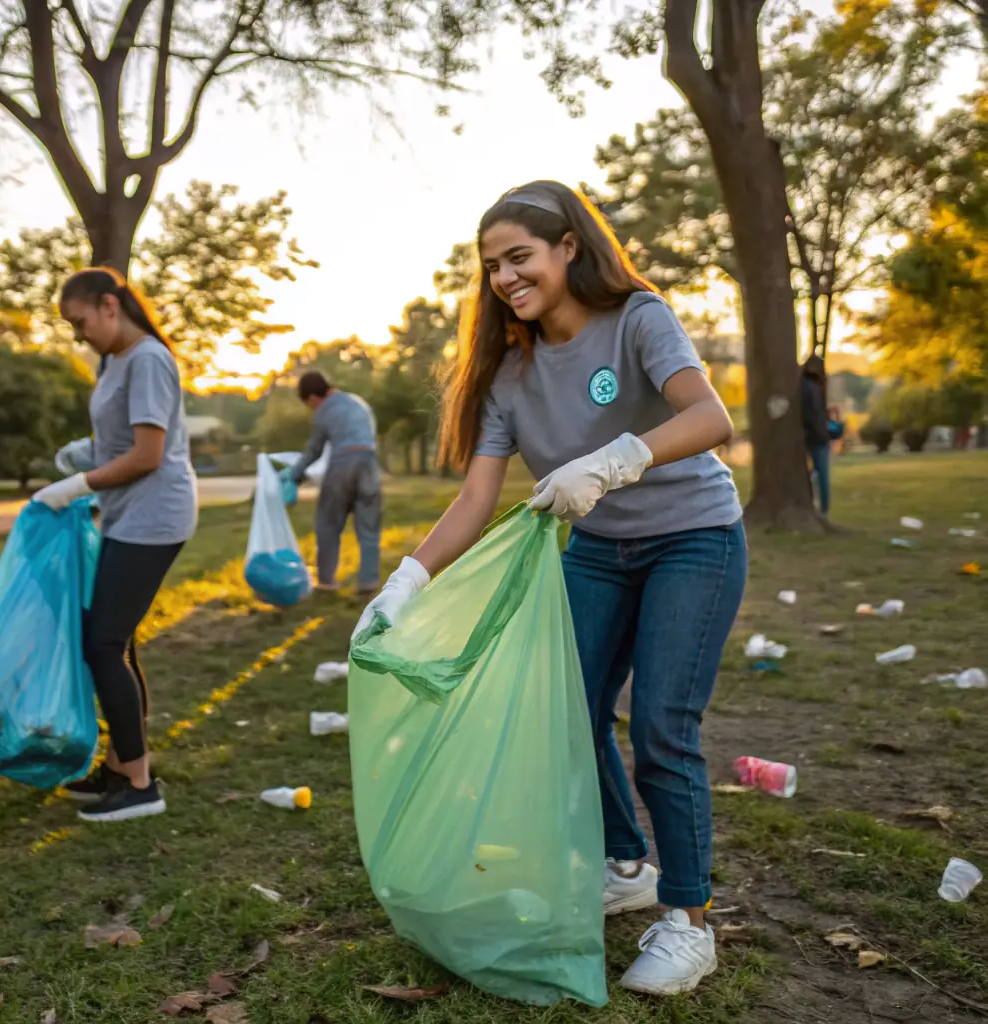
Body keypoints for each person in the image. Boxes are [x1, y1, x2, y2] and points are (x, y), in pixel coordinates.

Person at [353, 181, 745, 997]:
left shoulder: (638, 318)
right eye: (492, 265)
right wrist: (405, 583)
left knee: (665, 726)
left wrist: (613, 461)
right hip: (599, 552)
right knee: (573, 708)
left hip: (692, 540)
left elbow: (710, 420)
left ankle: (688, 920)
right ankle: (625, 863)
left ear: (569, 246)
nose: (504, 278)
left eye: (519, 257)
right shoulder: (505, 373)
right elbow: (475, 499)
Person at [32, 267, 196, 824]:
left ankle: (142, 786)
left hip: (156, 517)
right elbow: (119, 436)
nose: (79, 335)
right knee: (116, 643)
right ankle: (125, 765)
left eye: (80, 323)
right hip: (127, 515)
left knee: (102, 644)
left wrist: (75, 486)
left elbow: (149, 454)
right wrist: (84, 453)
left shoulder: (148, 358)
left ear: (109, 305)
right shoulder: (113, 360)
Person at [289, 371, 382, 592]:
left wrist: (294, 475)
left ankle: (326, 580)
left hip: (343, 464)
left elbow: (315, 450)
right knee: (368, 528)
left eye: (308, 404)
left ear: (312, 398)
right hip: (369, 463)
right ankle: (368, 582)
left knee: (328, 524)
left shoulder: (324, 410)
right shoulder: (357, 403)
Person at [801, 356, 831, 516]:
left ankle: (817, 506)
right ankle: (824, 510)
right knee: (822, 475)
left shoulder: (803, 385)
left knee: (812, 474)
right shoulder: (815, 387)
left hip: (810, 436)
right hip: (819, 437)